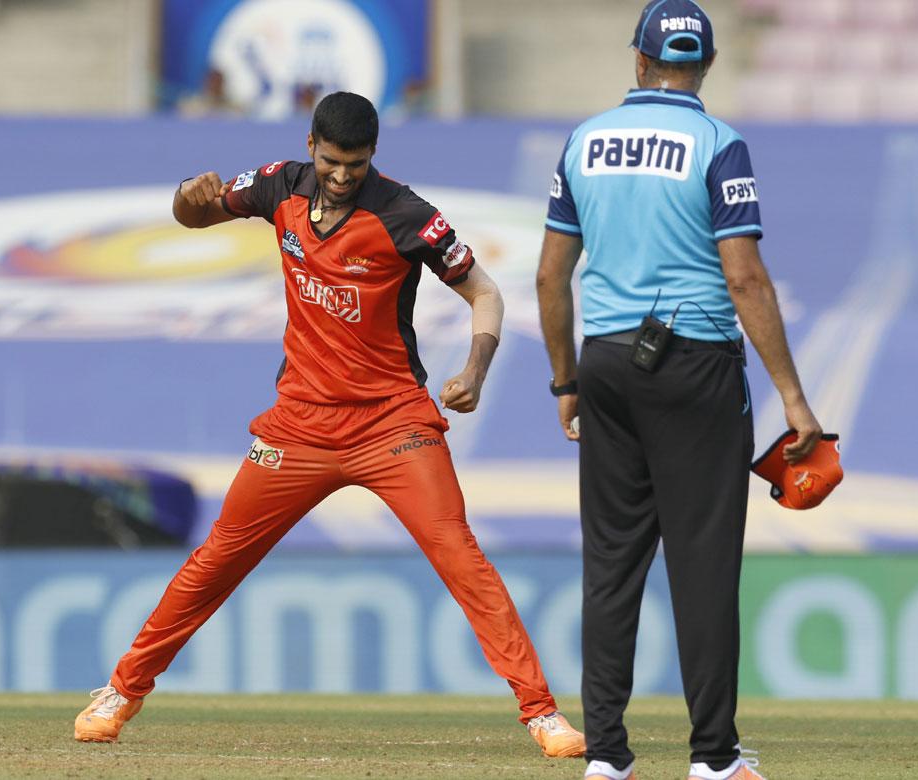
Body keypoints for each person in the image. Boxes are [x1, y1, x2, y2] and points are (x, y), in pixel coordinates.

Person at [75, 91, 585, 760]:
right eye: (334, 162)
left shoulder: (409, 216)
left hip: (392, 422)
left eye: (358, 164)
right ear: (311, 144)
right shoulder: (276, 185)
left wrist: (476, 369)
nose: (344, 176)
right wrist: (186, 195)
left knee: (460, 556)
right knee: (217, 560)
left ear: (375, 155)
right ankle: (120, 691)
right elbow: (193, 217)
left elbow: (485, 291)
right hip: (299, 426)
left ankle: (542, 714)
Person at [534, 3, 822, 780]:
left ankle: (608, 758)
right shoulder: (719, 145)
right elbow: (744, 276)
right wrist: (793, 397)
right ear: (708, 64)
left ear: (639, 61)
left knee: (613, 563)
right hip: (694, 366)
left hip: (606, 364)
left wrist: (566, 378)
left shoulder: (585, 140)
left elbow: (550, 274)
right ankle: (714, 759)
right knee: (702, 565)